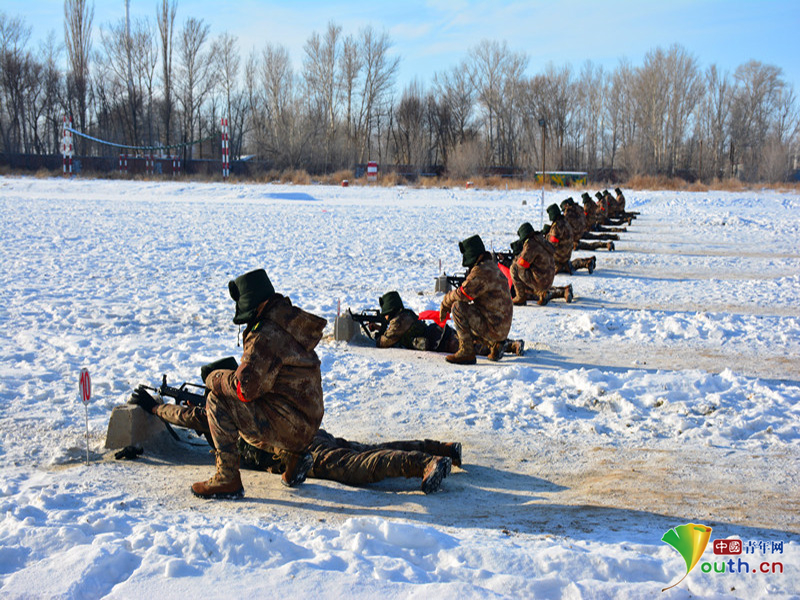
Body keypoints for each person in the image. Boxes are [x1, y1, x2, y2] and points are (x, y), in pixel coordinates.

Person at [129, 361, 458, 494]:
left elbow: (191, 418)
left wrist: (156, 408)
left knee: (353, 466)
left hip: (297, 450)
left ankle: (424, 463)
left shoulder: (223, 410)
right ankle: (437, 448)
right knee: (363, 449)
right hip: (307, 433)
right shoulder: (253, 391)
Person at [192, 268, 326, 499]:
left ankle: (227, 479)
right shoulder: (289, 321)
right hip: (308, 421)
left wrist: (215, 378)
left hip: (291, 425)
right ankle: (294, 458)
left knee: (218, 400)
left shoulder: (266, 334)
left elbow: (244, 389)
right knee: (263, 402)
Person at [374, 290, 523, 356]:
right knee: (474, 339)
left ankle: (507, 346)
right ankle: (510, 344)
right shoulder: (406, 315)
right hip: (439, 334)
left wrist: (378, 334)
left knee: (476, 347)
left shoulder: (398, 322)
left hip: (439, 341)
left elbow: (384, 342)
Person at [438, 235, 514, 364]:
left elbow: (463, 294)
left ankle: (466, 352)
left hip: (494, 327)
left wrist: (445, 302)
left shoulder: (481, 271)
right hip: (500, 327)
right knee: (470, 313)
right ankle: (494, 345)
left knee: (458, 307)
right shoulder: (491, 266)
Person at [509, 222, 572, 306]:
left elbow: (522, 265)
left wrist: (515, 258)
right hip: (548, 278)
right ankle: (559, 292)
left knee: (514, 268)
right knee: (531, 288)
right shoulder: (541, 239)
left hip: (541, 280)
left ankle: (520, 297)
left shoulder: (530, 245)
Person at [545, 204, 595, 275]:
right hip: (567, 253)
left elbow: (551, 245)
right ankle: (586, 262)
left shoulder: (556, 227)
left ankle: (563, 266)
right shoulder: (565, 221)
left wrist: (546, 237)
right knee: (567, 265)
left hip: (560, 255)